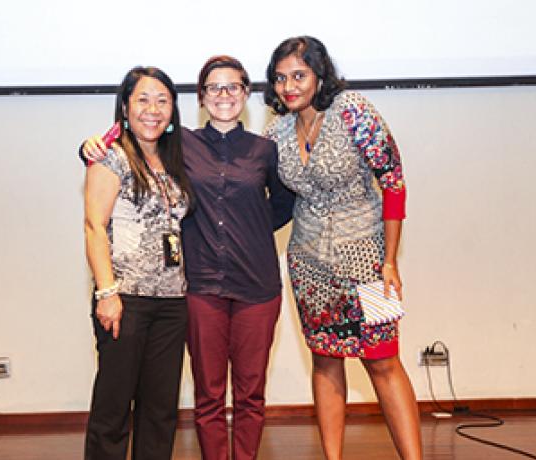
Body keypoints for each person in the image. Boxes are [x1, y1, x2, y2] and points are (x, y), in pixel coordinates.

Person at [82, 56, 294, 460]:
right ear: (200, 97)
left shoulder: (262, 150)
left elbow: (283, 204)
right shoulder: (179, 144)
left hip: (217, 291)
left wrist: (245, 231)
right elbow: (100, 207)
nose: (224, 95)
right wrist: (89, 145)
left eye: (233, 87)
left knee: (177, 405)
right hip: (174, 290)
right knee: (187, 396)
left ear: (247, 93)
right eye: (214, 87)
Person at [262, 36, 423, 460]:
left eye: (299, 75)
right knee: (325, 359)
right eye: (280, 78)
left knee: (383, 361)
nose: (288, 86)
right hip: (308, 262)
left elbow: (393, 181)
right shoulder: (276, 131)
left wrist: (390, 260)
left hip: (367, 257)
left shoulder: (353, 110)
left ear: (320, 75)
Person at [83, 66, 193, 460]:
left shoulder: (174, 160)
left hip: (172, 303)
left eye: (163, 100)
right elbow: (94, 226)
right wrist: (107, 293)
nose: (153, 109)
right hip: (125, 301)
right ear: (125, 107)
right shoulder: (110, 158)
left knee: (160, 412)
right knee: (113, 410)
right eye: (143, 99)